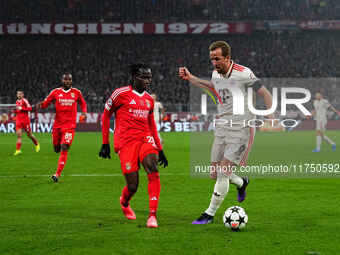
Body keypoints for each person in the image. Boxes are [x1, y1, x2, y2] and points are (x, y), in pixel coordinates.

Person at [179, 41, 273, 224]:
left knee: (223, 172)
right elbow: (213, 87)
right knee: (214, 173)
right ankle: (241, 182)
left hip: (241, 128)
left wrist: (270, 115)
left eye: (218, 59)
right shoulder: (216, 73)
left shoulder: (243, 73)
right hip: (222, 126)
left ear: (228, 58)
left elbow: (265, 93)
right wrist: (192, 78)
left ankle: (209, 213)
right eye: (212, 59)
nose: (214, 63)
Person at [99, 63, 168, 228]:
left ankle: (152, 216)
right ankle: (124, 201)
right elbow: (106, 115)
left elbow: (151, 125)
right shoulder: (120, 94)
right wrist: (105, 142)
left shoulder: (149, 100)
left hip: (145, 138)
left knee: (152, 167)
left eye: (150, 77)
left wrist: (160, 149)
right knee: (133, 185)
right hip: (126, 142)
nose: (148, 81)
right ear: (135, 77)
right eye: (144, 77)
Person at [36, 74, 87, 182]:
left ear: (72, 81)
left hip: (70, 126)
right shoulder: (55, 92)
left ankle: (57, 174)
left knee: (64, 147)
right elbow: (46, 103)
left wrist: (84, 113)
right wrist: (41, 105)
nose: (68, 81)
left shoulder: (76, 92)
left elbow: (83, 103)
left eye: (69, 79)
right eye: (66, 79)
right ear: (62, 80)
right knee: (56, 149)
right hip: (57, 126)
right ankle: (57, 148)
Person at [13, 90, 40, 156]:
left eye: (20, 94)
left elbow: (30, 108)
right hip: (19, 120)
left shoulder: (25, 101)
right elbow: (18, 110)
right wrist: (15, 112)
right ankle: (18, 150)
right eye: (18, 94)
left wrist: (22, 109)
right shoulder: (16, 102)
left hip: (25, 121)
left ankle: (37, 144)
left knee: (29, 135)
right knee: (19, 135)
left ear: (23, 95)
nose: (19, 95)